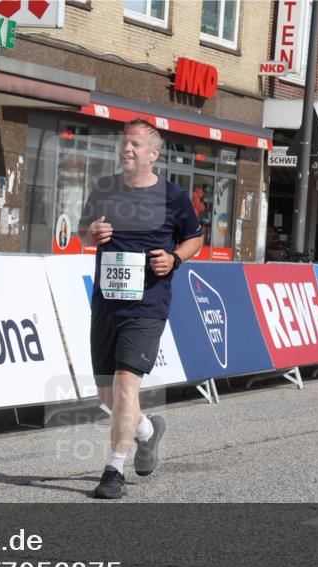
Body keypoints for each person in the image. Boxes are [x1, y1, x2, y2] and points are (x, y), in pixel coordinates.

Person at [79, 119, 204, 500]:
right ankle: (147, 430)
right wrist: (92, 234)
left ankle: (114, 469)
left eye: (135, 144)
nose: (126, 150)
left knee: (126, 382)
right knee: (105, 393)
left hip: (148, 304)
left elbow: (195, 237)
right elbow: (84, 231)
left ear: (153, 152)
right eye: (124, 144)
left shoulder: (173, 197)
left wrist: (175, 259)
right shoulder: (104, 189)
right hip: (106, 302)